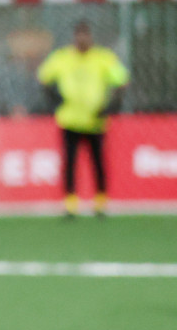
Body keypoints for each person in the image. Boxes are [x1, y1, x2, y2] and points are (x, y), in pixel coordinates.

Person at [37, 21, 129, 218]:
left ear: (91, 37)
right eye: (79, 35)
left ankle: (101, 202)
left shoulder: (103, 58)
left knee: (98, 162)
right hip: (69, 120)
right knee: (70, 162)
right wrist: (55, 98)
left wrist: (112, 106)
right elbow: (43, 79)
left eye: (86, 35)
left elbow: (122, 81)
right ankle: (70, 203)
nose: (83, 39)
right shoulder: (61, 58)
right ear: (74, 38)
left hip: (95, 121)